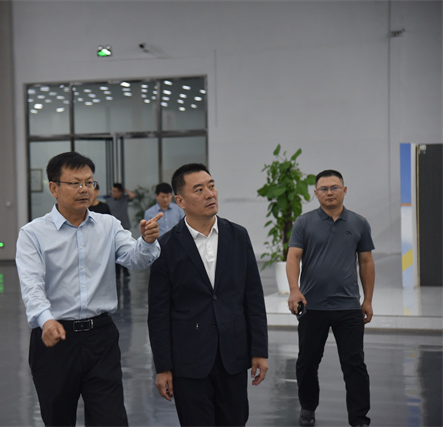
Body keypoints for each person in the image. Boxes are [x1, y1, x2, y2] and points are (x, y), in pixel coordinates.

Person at [15, 152, 163, 426]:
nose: (84, 189)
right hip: (55, 340)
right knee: (58, 419)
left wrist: (146, 241)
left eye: (89, 182)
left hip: (101, 338)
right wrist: (45, 320)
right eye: (75, 183)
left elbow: (136, 259)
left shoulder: (108, 225)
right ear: (54, 188)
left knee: (111, 419)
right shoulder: (33, 234)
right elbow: (31, 285)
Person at [148, 163, 269, 426]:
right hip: (188, 361)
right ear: (180, 201)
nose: (210, 194)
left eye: (211, 186)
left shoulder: (238, 236)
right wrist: (163, 367)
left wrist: (259, 350)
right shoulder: (166, 247)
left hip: (232, 355)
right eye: (199, 189)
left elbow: (253, 298)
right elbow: (158, 313)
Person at [287, 169, 375, 427]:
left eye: (334, 187)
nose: (329, 193)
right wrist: (294, 290)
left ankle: (359, 418)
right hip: (312, 306)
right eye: (323, 189)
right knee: (307, 363)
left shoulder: (359, 223)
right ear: (316, 193)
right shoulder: (304, 223)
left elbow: (366, 262)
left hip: (348, 308)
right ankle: (308, 408)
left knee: (354, 365)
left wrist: (368, 300)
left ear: (344, 190)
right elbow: (293, 257)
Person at [107, 183, 136, 278]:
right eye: (112, 191)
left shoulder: (124, 199)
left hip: (124, 226)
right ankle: (117, 272)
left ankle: (125, 270)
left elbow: (133, 195)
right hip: (112, 228)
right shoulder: (109, 201)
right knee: (114, 250)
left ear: (120, 192)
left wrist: (124, 190)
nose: (113, 193)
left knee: (125, 249)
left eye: (115, 191)